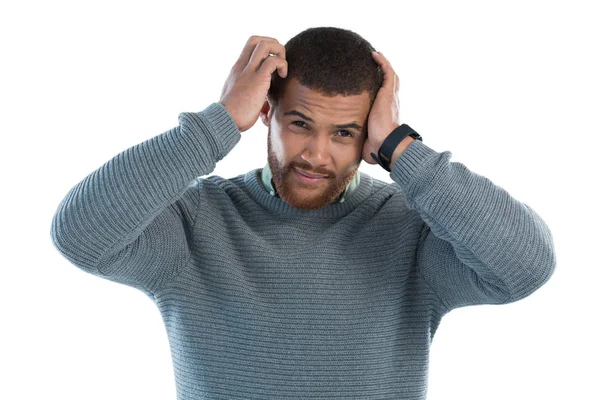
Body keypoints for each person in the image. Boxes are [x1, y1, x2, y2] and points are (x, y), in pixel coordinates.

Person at [50, 27, 556, 400]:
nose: (317, 154)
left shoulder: (409, 229)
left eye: (344, 133)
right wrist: (217, 123)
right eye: (299, 123)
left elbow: (527, 267)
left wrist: (403, 149)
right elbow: (79, 234)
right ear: (266, 113)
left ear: (369, 134)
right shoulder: (197, 222)